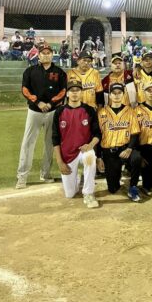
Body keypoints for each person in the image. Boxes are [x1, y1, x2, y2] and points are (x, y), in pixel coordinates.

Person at [16, 43, 67, 189]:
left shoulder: (59, 72)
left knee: (50, 144)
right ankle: (22, 176)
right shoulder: (30, 71)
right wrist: (38, 102)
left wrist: (50, 104)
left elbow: (63, 91)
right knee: (28, 143)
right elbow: (25, 89)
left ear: (52, 55)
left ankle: (45, 173)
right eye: (43, 53)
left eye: (48, 53)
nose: (46, 55)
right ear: (38, 55)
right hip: (34, 111)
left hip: (52, 111)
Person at [52, 80, 100, 209]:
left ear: (81, 93)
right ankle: (77, 179)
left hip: (84, 150)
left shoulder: (89, 110)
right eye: (72, 90)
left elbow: (97, 134)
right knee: (70, 194)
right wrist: (60, 162)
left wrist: (90, 145)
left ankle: (88, 193)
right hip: (67, 154)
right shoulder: (59, 111)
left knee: (90, 157)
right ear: (67, 93)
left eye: (77, 90)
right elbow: (55, 138)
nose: (74, 93)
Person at [97, 83, 142, 201]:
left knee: (136, 158)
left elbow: (135, 133)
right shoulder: (102, 112)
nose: (116, 95)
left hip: (125, 148)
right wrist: (99, 157)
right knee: (113, 189)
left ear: (123, 94)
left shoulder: (130, 111)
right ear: (110, 95)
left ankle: (133, 186)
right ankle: (117, 176)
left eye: (119, 93)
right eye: (114, 93)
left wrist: (129, 148)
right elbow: (98, 136)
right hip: (109, 151)